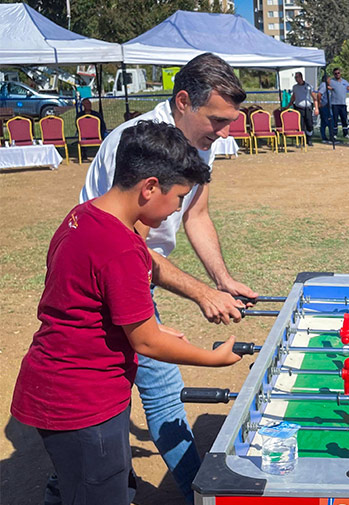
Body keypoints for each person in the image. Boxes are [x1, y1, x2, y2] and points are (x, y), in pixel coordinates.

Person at [11, 120, 243, 505]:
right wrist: (213, 359)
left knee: (86, 483)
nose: (174, 212)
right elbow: (146, 340)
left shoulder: (84, 215)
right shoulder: (121, 249)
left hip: (69, 387)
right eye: (177, 198)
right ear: (149, 187)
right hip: (83, 401)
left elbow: (96, 307)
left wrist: (160, 332)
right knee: (97, 489)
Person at [78, 52, 258, 504]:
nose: (224, 132)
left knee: (119, 388)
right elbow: (129, 249)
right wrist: (200, 294)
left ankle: (85, 477)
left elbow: (197, 212)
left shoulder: (201, 139)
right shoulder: (134, 143)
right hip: (118, 275)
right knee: (159, 391)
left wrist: (221, 279)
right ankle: (202, 493)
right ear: (183, 101)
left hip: (138, 270)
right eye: (217, 120)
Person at [289, 72, 316, 147]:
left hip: (307, 108)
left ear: (301, 77)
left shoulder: (308, 86)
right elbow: (293, 97)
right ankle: (302, 141)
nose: (296, 79)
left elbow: (314, 97)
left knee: (309, 124)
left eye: (297, 77)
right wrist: (288, 106)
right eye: (295, 77)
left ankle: (309, 139)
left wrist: (316, 107)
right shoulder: (295, 87)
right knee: (300, 125)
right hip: (299, 108)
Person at [327, 68, 349, 140]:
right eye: (335, 73)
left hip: (342, 104)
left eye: (338, 73)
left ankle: (345, 133)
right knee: (335, 120)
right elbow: (325, 83)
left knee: (344, 119)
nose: (337, 74)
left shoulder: (344, 81)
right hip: (335, 104)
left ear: (340, 73)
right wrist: (328, 87)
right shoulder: (332, 81)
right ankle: (334, 134)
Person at [317, 75, 334, 143]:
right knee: (327, 122)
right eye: (329, 79)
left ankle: (326, 137)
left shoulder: (325, 86)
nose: (330, 81)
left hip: (327, 106)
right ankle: (326, 137)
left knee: (325, 122)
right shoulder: (323, 85)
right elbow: (319, 94)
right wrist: (319, 103)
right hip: (324, 106)